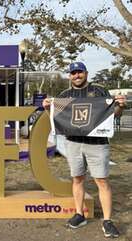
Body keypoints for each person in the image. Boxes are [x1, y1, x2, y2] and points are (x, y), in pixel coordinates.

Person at [42, 62, 126, 238]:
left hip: (97, 144)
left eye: (79, 72)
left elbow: (114, 114)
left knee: (102, 181)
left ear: (86, 73)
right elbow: (56, 117)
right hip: (73, 143)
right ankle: (80, 214)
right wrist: (48, 108)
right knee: (77, 179)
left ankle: (107, 221)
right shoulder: (64, 95)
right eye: (73, 73)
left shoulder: (100, 91)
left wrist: (120, 105)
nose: (77, 75)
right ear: (70, 75)